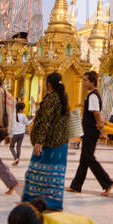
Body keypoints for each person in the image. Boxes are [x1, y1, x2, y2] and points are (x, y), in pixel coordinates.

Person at [23, 71, 71, 210]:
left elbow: (45, 121)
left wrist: (39, 141)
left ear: (48, 84)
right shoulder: (63, 98)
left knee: (35, 171)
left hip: (49, 143)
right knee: (55, 174)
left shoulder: (51, 99)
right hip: (61, 142)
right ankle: (54, 203)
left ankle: (32, 200)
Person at [69, 70, 113, 196]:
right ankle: (76, 186)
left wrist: (101, 129)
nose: (83, 82)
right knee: (84, 159)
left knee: (89, 158)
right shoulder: (91, 95)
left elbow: (96, 113)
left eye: (85, 80)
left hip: (90, 131)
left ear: (92, 81)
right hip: (88, 130)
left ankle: (107, 182)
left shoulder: (93, 96)